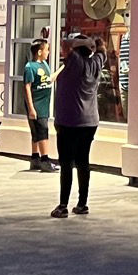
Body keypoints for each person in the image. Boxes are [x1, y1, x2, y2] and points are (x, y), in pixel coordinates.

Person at [51, 32, 105, 218]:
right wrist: (92, 42)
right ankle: (82, 204)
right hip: (89, 122)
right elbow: (102, 46)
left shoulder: (74, 63)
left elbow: (65, 44)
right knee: (83, 161)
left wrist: (79, 42)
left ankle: (63, 205)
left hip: (69, 121)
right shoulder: (96, 63)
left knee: (66, 163)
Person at [21, 38, 57, 172]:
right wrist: (31, 107)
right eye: (47, 50)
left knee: (36, 132)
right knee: (42, 131)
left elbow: (49, 79)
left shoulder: (45, 65)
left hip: (44, 103)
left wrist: (62, 68)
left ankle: (35, 158)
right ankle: (45, 160)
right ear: (40, 51)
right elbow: (27, 87)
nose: (48, 52)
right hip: (36, 104)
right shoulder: (30, 67)